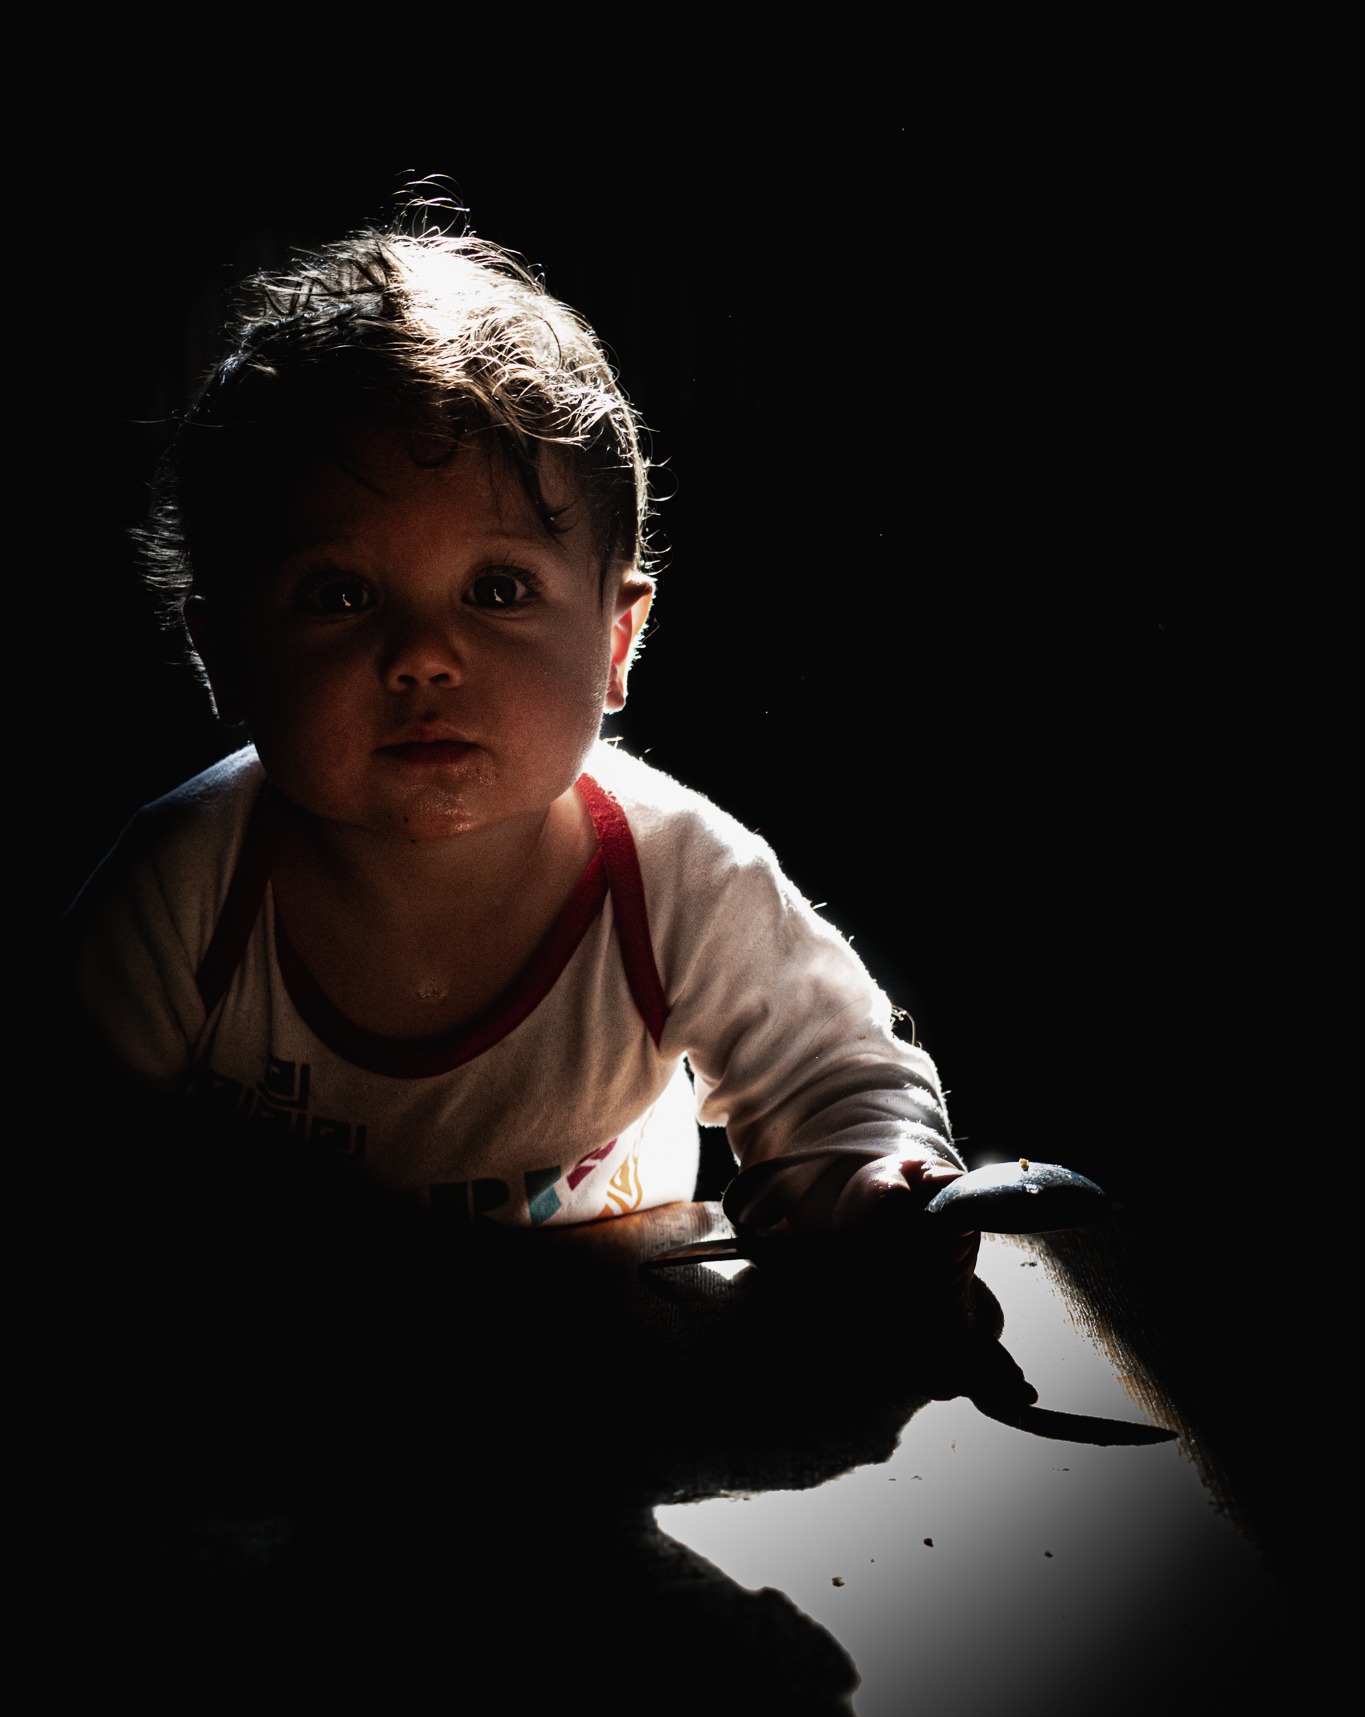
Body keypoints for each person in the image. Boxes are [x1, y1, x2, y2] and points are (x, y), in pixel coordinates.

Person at [55, 224, 978, 1302]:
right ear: (224, 659)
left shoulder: (675, 875)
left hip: (620, 1371)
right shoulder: (183, 890)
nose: (422, 655)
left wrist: (874, 1186)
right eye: (339, 594)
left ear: (616, 643)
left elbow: (835, 1079)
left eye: (496, 590)